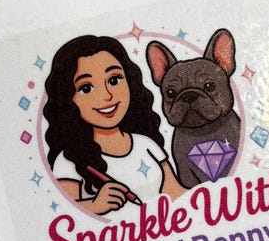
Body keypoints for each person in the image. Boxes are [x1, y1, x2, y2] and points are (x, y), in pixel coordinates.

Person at [44, 35, 185, 214]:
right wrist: (95, 205)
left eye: (114, 80)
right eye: (86, 88)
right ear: (67, 98)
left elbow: (177, 194)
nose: (107, 96)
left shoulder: (145, 144)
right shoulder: (67, 161)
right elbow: (63, 213)